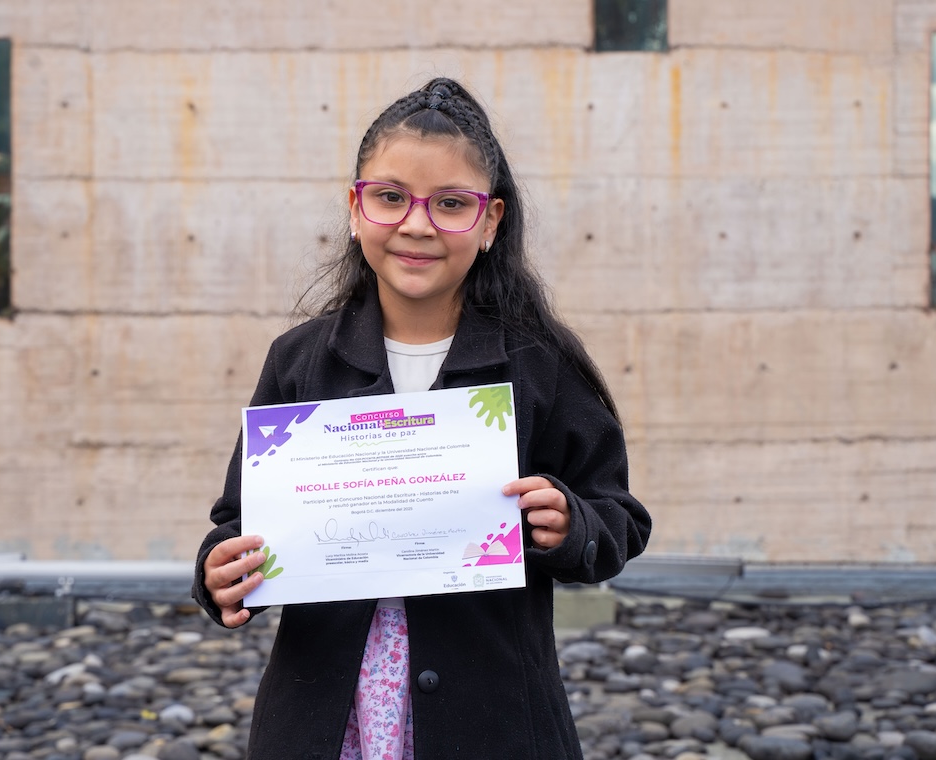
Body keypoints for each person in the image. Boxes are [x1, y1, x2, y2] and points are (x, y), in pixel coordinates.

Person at [192, 77, 652, 759]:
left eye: (451, 204)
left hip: (492, 722)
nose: (416, 224)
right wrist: (221, 572)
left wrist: (569, 523)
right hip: (325, 723)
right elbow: (240, 522)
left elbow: (619, 516)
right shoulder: (300, 362)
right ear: (355, 207)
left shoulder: (538, 363)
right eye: (389, 197)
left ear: (491, 221)